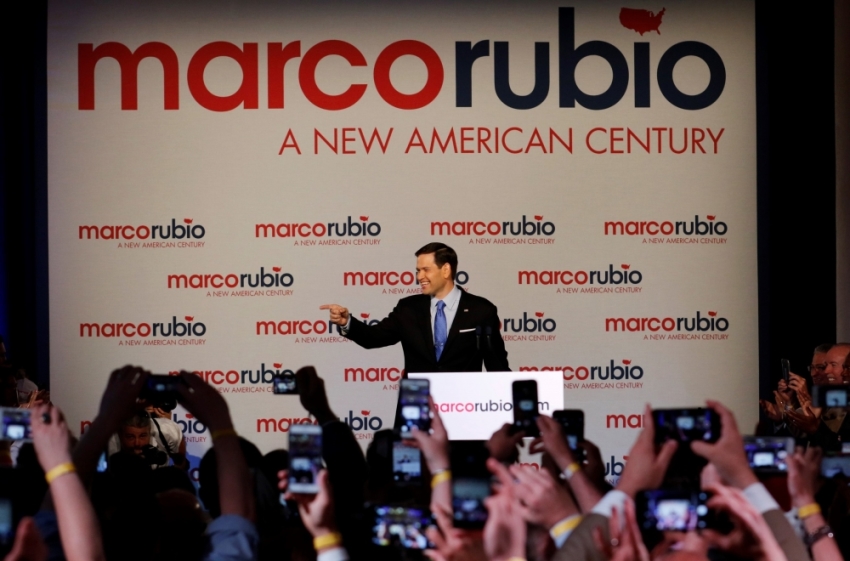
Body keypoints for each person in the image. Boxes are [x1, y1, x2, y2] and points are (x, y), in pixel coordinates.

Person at [321, 242, 509, 373]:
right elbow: (373, 338)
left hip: (464, 407)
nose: (419, 277)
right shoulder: (408, 308)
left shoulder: (481, 310)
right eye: (418, 271)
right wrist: (347, 322)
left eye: (426, 270)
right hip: (417, 405)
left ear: (446, 270)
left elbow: (497, 364)